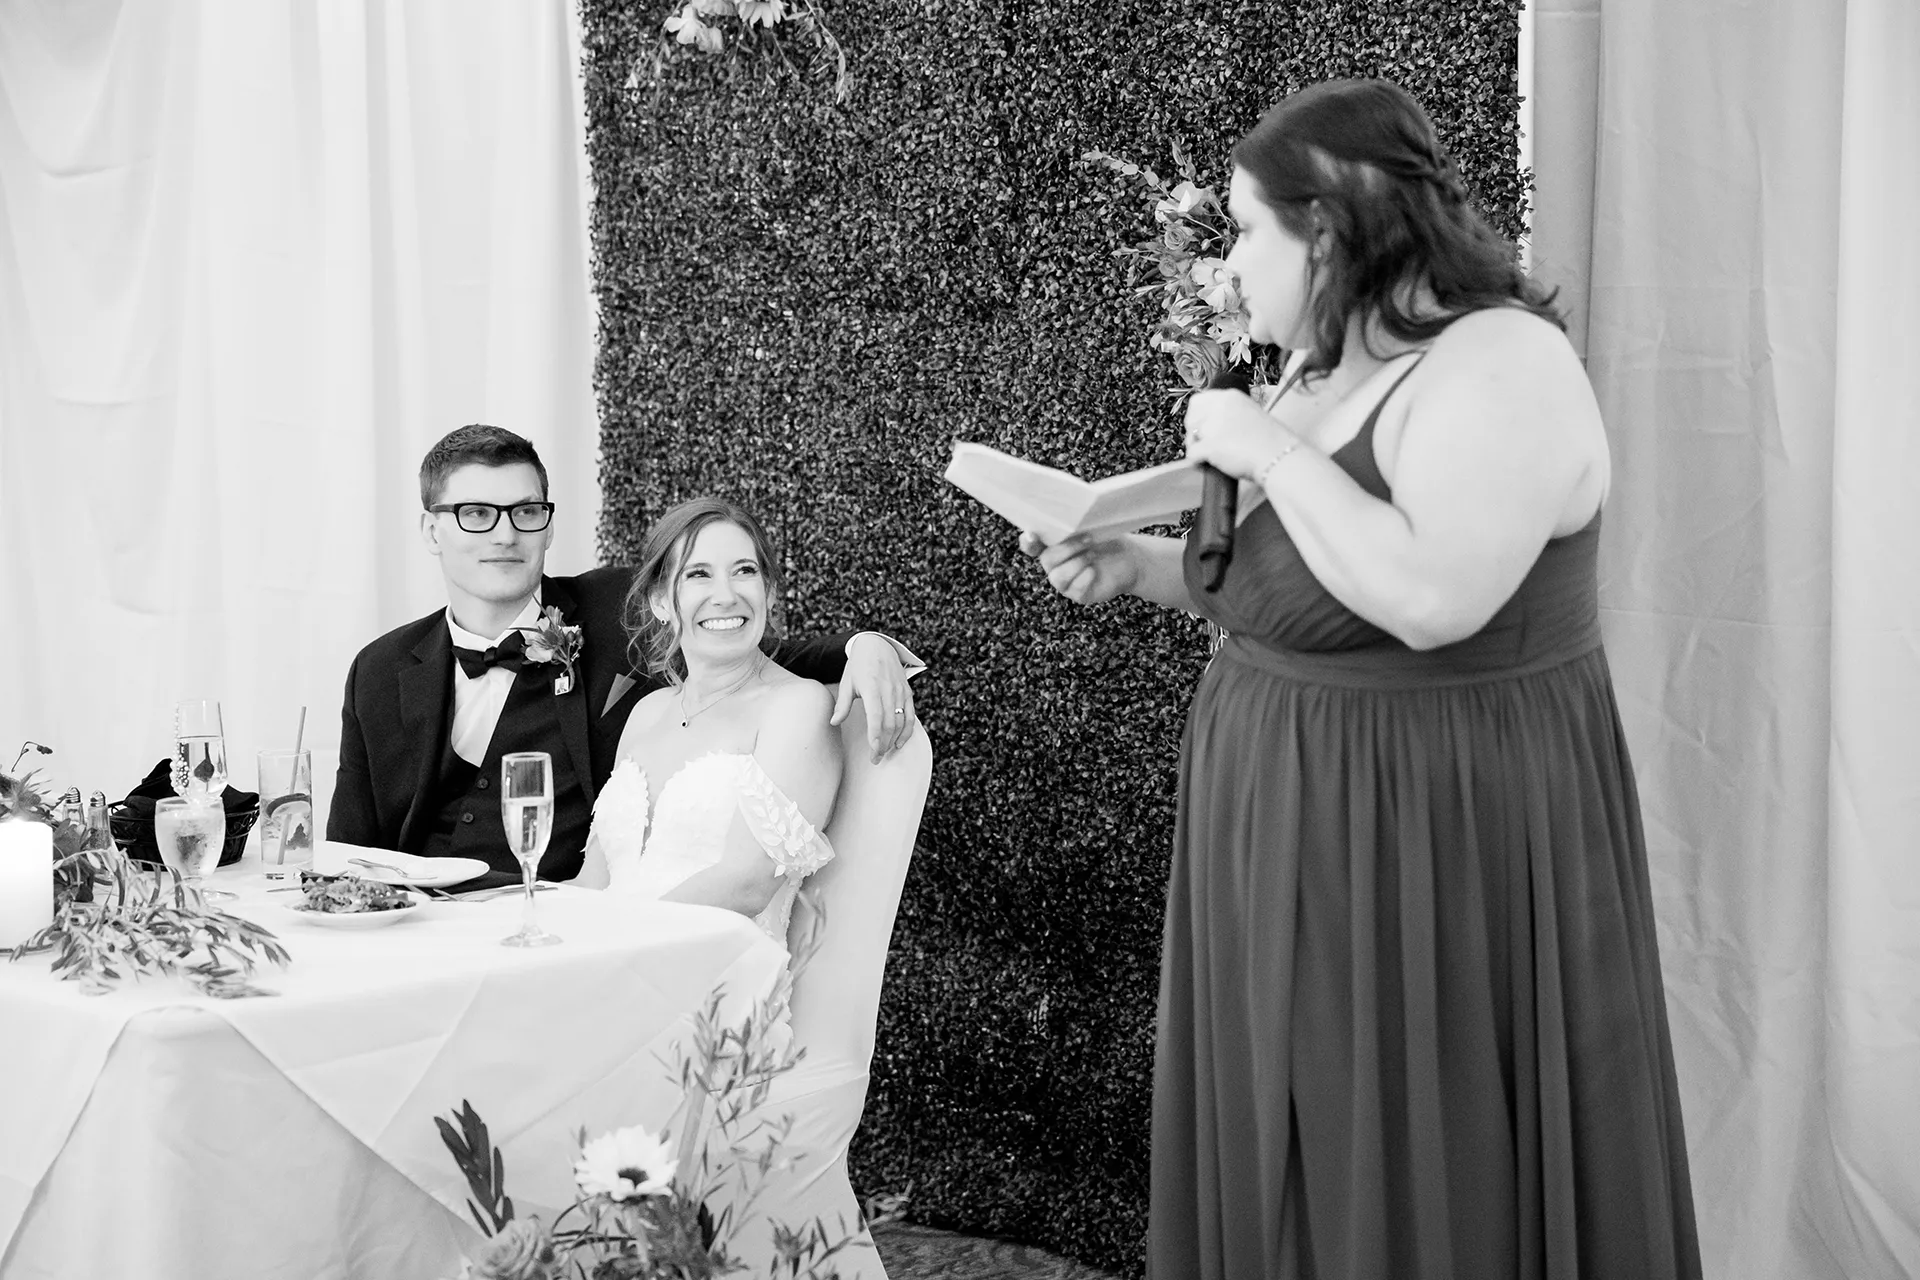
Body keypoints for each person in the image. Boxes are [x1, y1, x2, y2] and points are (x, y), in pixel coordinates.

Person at [1026, 79, 1700, 1280]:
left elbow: (1432, 598)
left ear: (1327, 230)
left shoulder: (1502, 364)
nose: (1230, 265)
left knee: (1419, 1165)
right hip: (1285, 826)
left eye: (1245, 230)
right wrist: (1134, 565)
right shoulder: (1320, 368)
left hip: (1433, 842)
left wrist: (1265, 448)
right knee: (1300, 1159)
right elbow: (1313, 598)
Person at [330, 426, 918, 890]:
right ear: (432, 531)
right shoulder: (378, 670)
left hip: (567, 922)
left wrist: (862, 646)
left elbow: (749, 644)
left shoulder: (613, 606)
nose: (505, 535)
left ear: (547, 526)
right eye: (476, 514)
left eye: (526, 512)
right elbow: (347, 852)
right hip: (420, 932)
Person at [575, 496, 840, 947]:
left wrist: (611, 942)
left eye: (745, 571)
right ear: (661, 601)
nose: (726, 594)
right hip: (606, 959)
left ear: (770, 592)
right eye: (699, 574)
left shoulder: (797, 706)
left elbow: (747, 883)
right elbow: (592, 882)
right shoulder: (647, 712)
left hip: (712, 978)